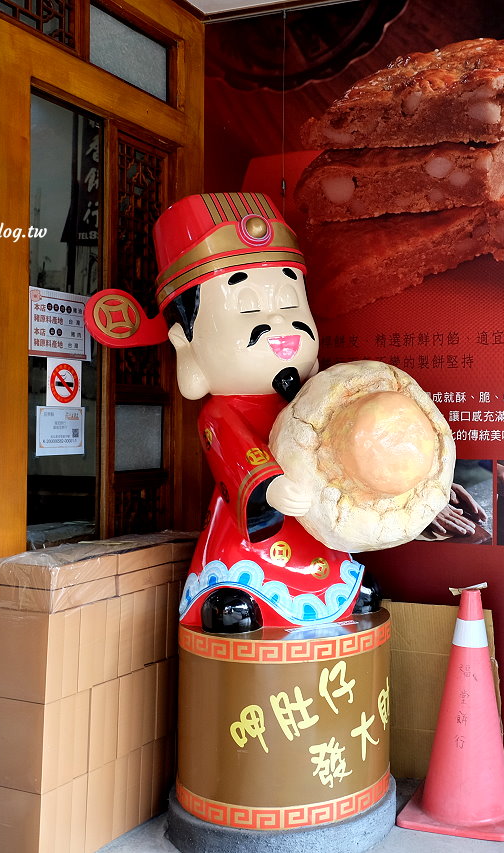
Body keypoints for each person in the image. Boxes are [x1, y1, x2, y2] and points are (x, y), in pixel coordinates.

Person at [87, 192, 366, 633]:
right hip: (256, 534)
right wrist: (271, 487)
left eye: (291, 302)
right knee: (242, 585)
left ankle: (339, 589)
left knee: (335, 567)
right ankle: (238, 592)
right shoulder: (220, 414)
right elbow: (238, 458)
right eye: (250, 307)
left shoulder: (311, 396)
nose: (280, 324)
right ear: (187, 349)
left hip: (316, 527)